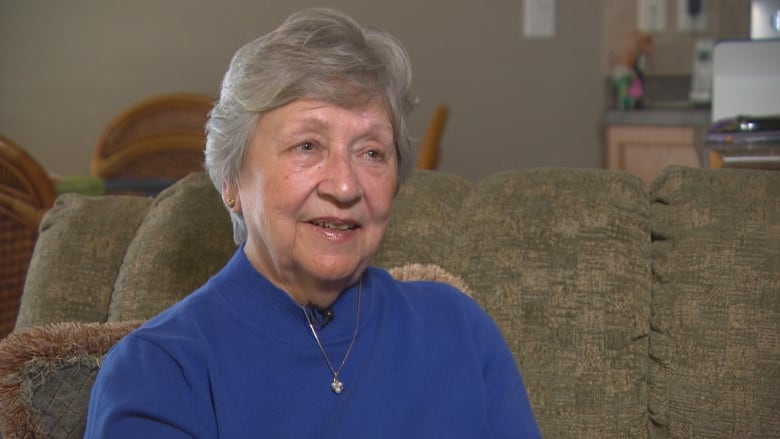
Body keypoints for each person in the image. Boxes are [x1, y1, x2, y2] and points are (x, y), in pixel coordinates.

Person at [84, 8, 540, 438]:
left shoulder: (457, 328)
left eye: (372, 152)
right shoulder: (157, 373)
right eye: (307, 146)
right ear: (230, 180)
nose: (345, 186)